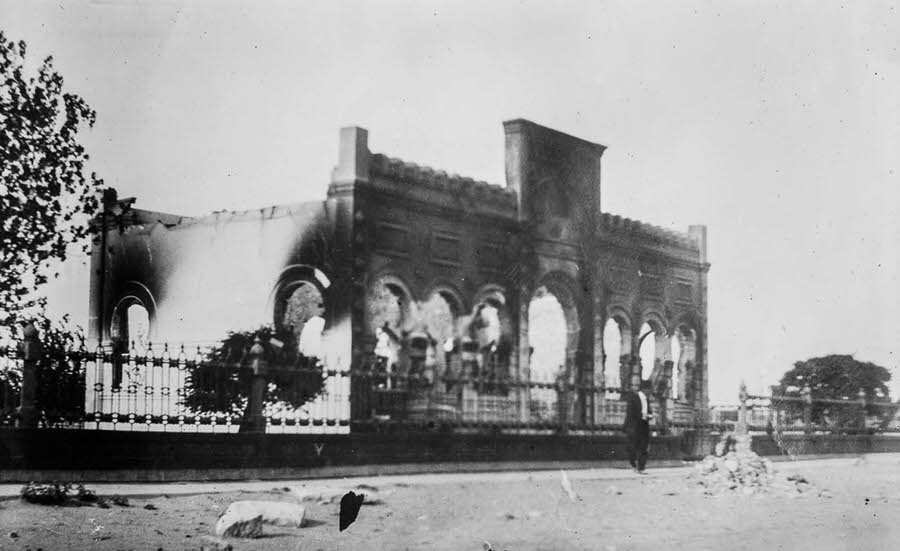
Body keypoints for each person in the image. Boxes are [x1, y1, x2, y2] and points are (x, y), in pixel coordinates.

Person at [623, 372, 653, 473]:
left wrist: (650, 415)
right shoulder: (634, 398)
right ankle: (633, 463)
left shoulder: (647, 399)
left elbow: (649, 411)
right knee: (634, 446)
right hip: (635, 425)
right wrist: (642, 416)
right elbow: (631, 413)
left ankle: (641, 467)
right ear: (645, 389)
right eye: (649, 390)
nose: (650, 392)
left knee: (644, 446)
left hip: (644, 425)